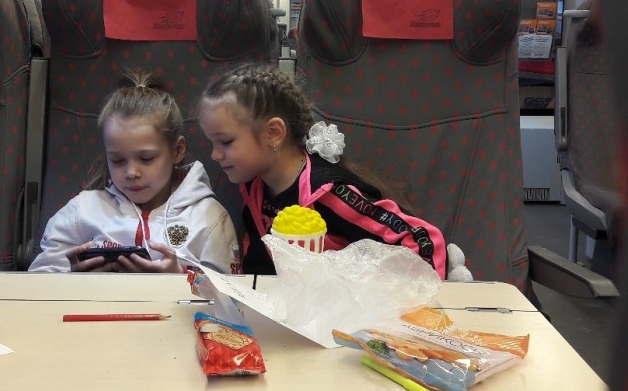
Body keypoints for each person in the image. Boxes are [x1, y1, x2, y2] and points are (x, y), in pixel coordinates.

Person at [198, 62, 466, 278]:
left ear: (274, 133)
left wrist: (417, 306)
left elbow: (423, 240)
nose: (215, 154)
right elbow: (260, 263)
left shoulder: (330, 194)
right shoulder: (255, 190)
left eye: (225, 142)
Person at [30, 70, 239, 274]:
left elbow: (231, 292)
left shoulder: (208, 218)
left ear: (177, 151)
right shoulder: (82, 210)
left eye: (146, 159)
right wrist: (72, 276)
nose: (131, 172)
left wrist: (178, 277)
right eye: (117, 160)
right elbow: (38, 280)